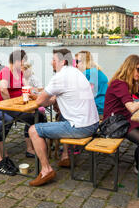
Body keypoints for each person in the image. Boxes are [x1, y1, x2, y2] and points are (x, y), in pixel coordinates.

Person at [27, 48, 100, 186]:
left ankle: (46, 170)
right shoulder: (76, 73)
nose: (51, 63)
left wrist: (41, 97)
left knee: (33, 130)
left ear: (63, 61)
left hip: (81, 127)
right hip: (93, 123)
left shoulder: (60, 77)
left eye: (53, 60)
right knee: (62, 118)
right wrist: (52, 99)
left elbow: (39, 102)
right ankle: (65, 156)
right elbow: (56, 98)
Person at [103, 54, 139, 180]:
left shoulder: (131, 82)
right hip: (114, 122)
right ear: (129, 68)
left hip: (126, 118)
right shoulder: (119, 84)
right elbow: (132, 107)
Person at [0, 49, 47, 158]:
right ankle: (30, 148)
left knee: (39, 115)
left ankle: (34, 146)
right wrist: (12, 105)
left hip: (20, 105)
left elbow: (26, 87)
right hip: (7, 107)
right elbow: (3, 89)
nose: (24, 64)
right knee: (34, 116)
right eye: (23, 61)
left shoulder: (19, 72)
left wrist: (38, 92)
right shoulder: (5, 71)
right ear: (17, 61)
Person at [75, 50, 108, 117]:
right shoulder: (98, 71)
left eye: (77, 61)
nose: (75, 65)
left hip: (96, 110)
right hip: (104, 107)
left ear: (85, 62)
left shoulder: (87, 73)